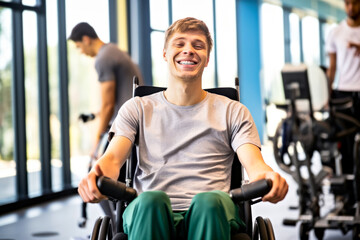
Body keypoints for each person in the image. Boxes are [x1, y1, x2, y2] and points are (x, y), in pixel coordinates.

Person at [78, 17, 288, 239]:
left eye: (198, 45)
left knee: (209, 201)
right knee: (151, 200)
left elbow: (256, 165)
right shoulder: (136, 108)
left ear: (206, 59)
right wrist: (96, 174)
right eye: (179, 44)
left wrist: (270, 176)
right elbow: (112, 159)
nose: (188, 50)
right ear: (165, 54)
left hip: (214, 213)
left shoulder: (233, 111)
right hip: (149, 212)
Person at [68, 22, 144, 158]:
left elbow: (108, 106)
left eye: (79, 47)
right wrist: (96, 114)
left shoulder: (103, 59)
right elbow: (118, 98)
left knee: (100, 168)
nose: (81, 52)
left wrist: (96, 144)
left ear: (86, 39)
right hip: (137, 120)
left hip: (127, 126)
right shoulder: (113, 50)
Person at [325, 0, 360, 174]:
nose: (351, 7)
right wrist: (326, 94)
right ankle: (347, 193)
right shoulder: (336, 32)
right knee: (345, 145)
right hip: (343, 93)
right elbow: (332, 68)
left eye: (355, 3)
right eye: (347, 3)